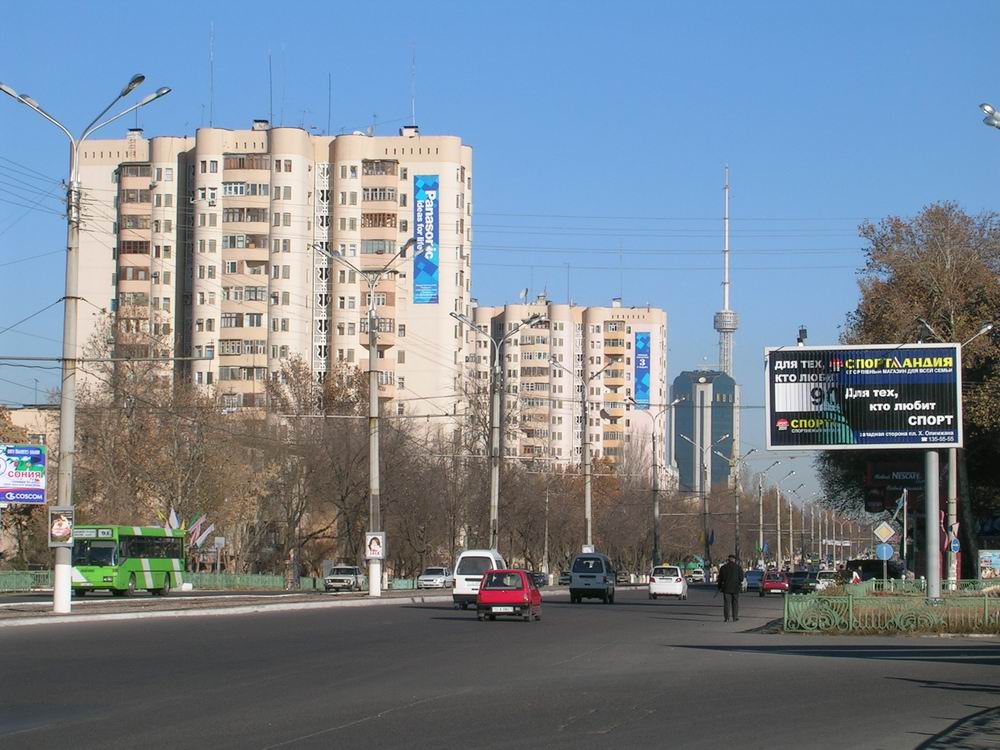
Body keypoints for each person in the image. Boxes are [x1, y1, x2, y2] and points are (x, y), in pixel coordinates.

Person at [716, 554, 744, 622]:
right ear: (734, 560)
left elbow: (720, 579)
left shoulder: (723, 568)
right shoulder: (738, 568)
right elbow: (741, 578)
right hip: (735, 588)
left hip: (726, 588)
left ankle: (727, 618)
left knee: (726, 603)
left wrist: (719, 587)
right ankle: (735, 617)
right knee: (735, 603)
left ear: (728, 560)